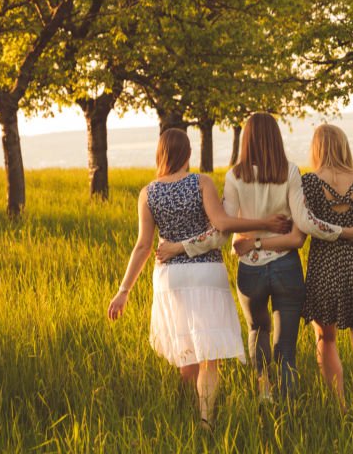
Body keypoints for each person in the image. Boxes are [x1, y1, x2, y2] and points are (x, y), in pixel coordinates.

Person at [157, 113, 353, 400]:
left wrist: (182, 246)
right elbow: (304, 223)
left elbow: (220, 230)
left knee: (257, 331)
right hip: (286, 266)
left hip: (251, 270)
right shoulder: (290, 172)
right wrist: (344, 231)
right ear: (276, 138)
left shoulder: (235, 176)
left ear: (246, 139)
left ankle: (264, 393)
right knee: (286, 347)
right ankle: (289, 408)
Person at [107, 129, 290, 428]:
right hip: (207, 273)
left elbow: (143, 245)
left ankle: (182, 412)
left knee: (186, 350)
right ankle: (206, 419)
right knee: (210, 354)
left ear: (160, 154)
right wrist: (266, 223)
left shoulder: (148, 192)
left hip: (171, 276)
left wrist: (123, 289)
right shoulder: (201, 182)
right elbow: (221, 227)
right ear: (188, 154)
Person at [237, 123, 353, 417]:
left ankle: (340, 408)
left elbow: (298, 236)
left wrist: (255, 242)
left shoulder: (308, 184)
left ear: (316, 149)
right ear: (344, 147)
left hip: (324, 273)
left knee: (326, 340)